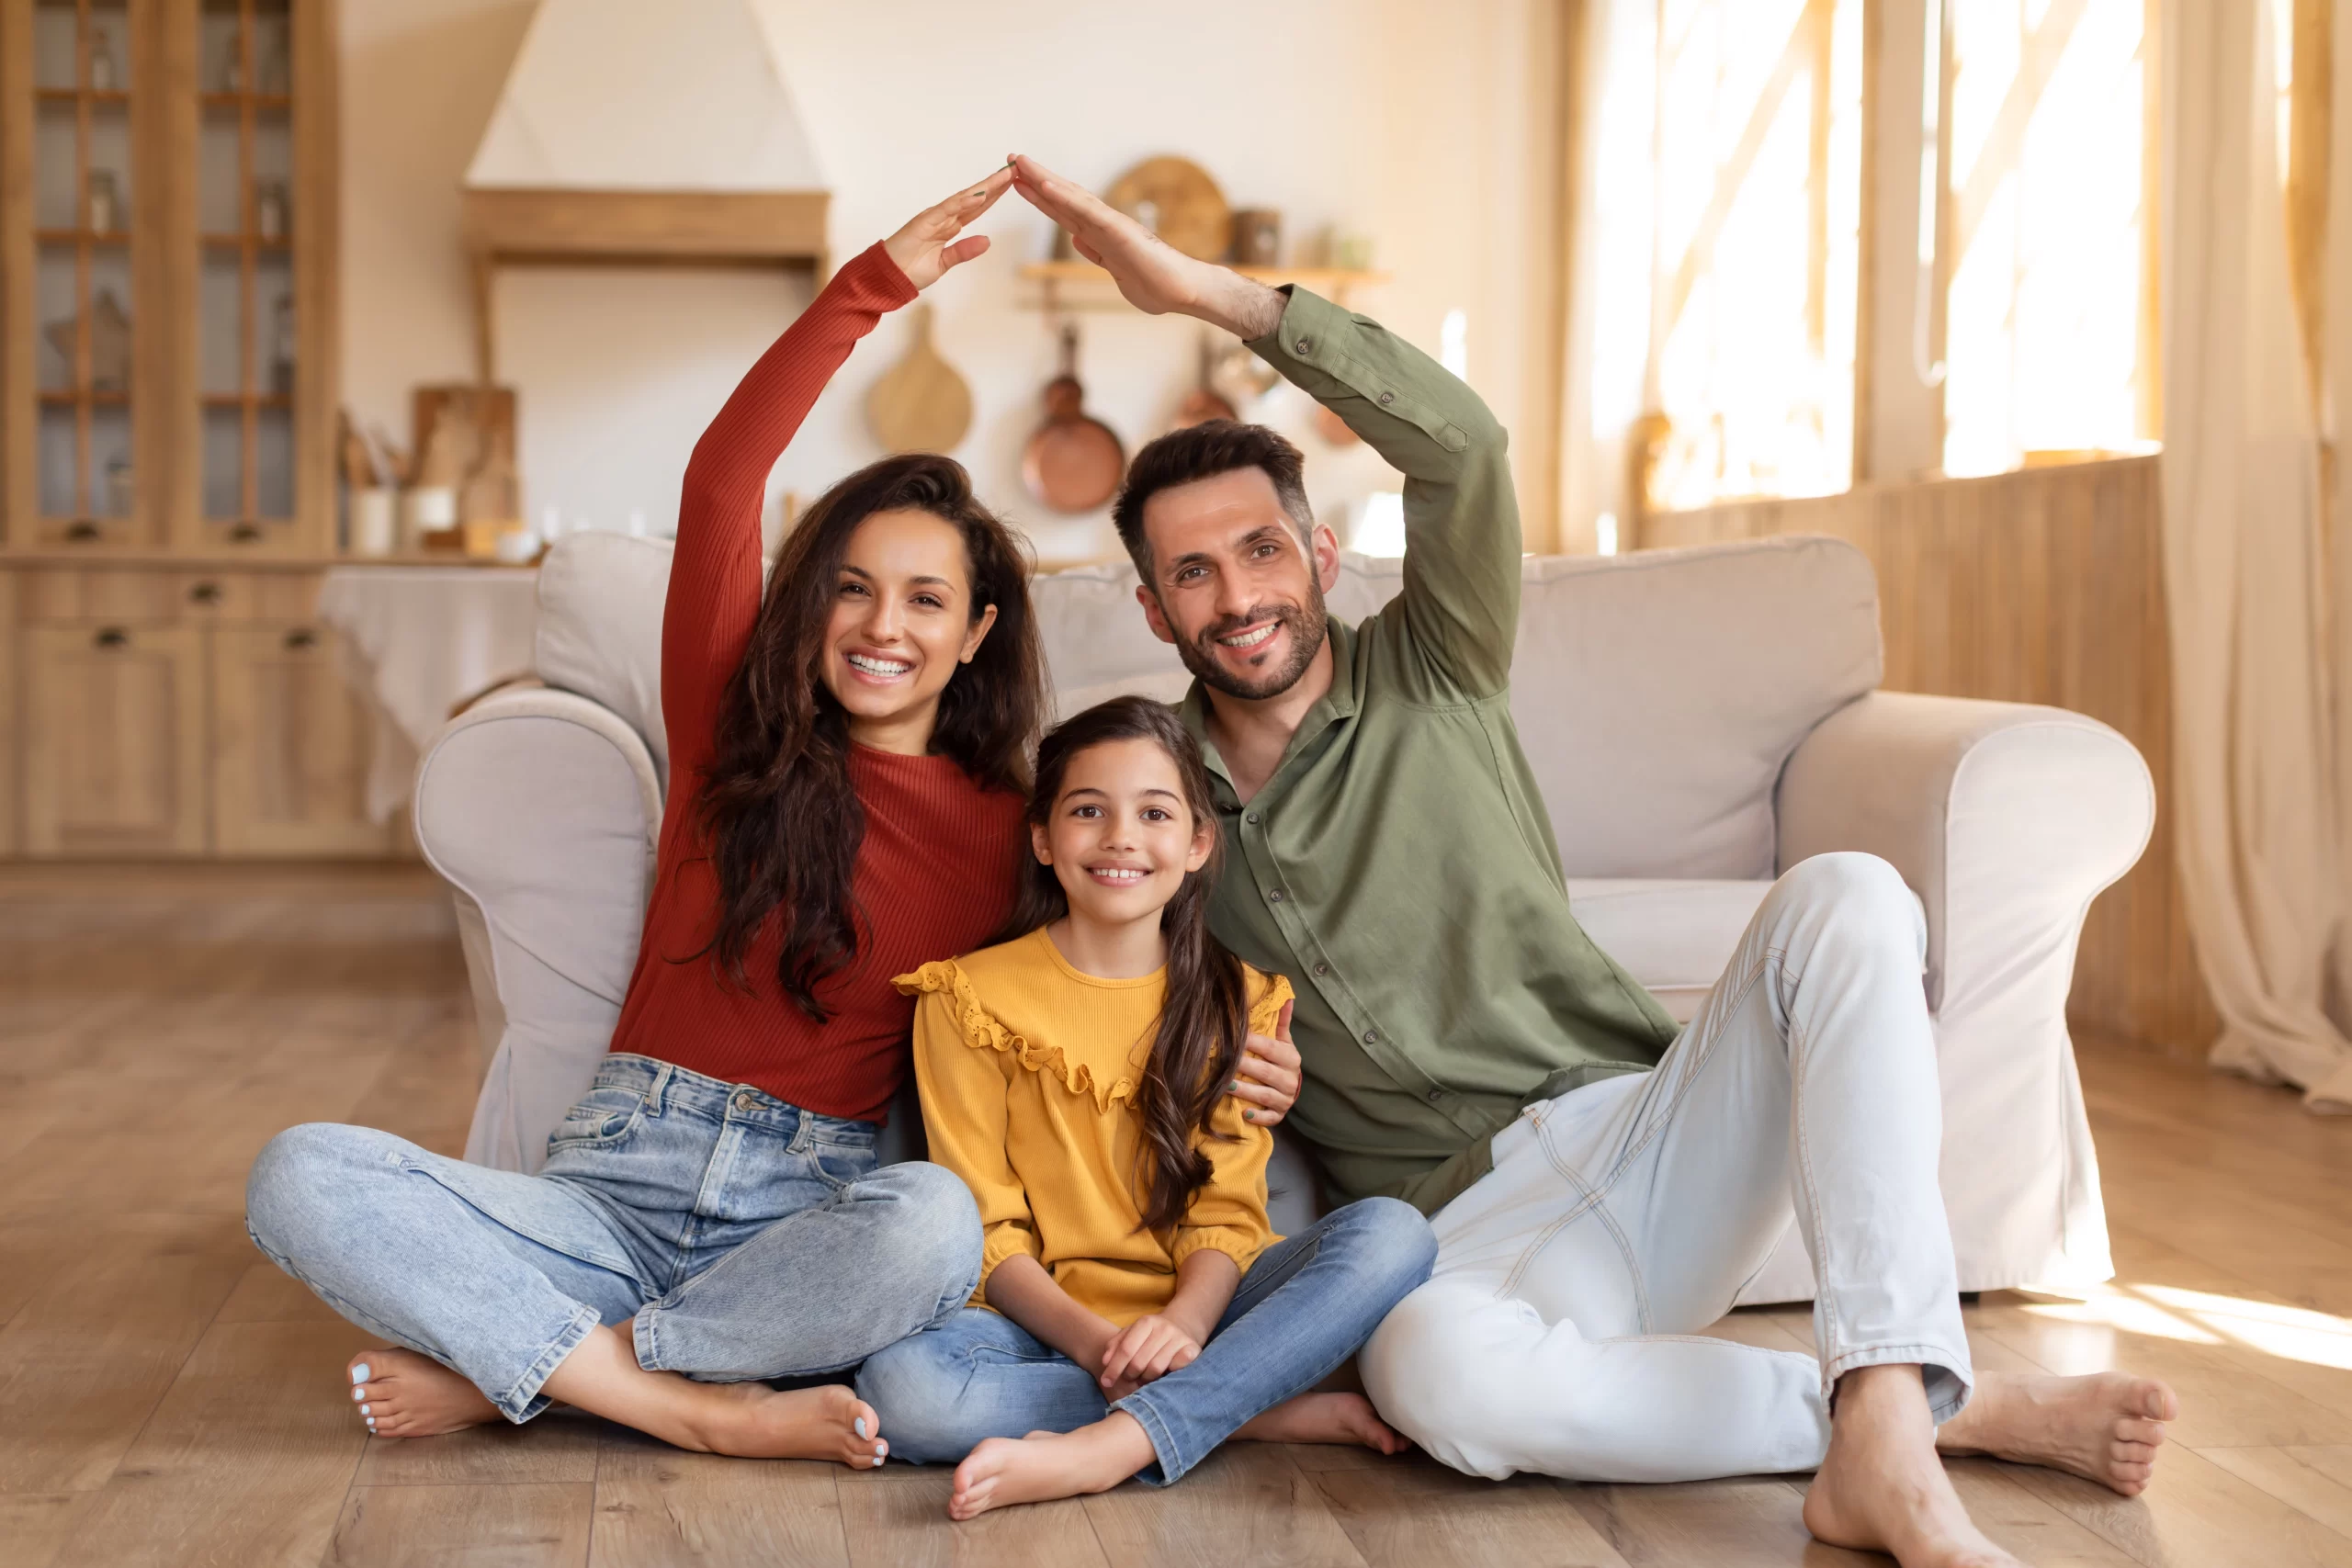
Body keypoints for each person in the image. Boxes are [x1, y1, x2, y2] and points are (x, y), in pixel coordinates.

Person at [1005, 153, 2180, 1568]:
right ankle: (1924, 1414)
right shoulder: (1149, 809)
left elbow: (1465, 450)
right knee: (1440, 1383)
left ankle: (1889, 1420)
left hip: (1650, 1130)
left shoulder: (1435, 661)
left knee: (1854, 896)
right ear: (1148, 603)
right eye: (1193, 573)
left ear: (1320, 552)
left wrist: (1217, 300)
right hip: (1466, 1232)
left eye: (1261, 550)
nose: (1238, 595)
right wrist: (1208, 1062)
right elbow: (1092, 999)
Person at [242, 170, 1300, 1467]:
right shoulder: (730, 736)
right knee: (299, 1170)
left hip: (812, 1210)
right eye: (853, 588)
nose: (880, 625)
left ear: (975, 634)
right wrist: (866, 290)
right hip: (614, 1177)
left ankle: (549, 1367)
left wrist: (1249, 1055)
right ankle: (675, 1396)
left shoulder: (1014, 830)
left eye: (923, 600)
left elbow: (1121, 963)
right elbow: (722, 476)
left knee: (933, 1220)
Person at [855, 697, 1435, 1519]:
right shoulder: (966, 995)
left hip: (1211, 1303)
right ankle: (1242, 1410)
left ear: (1197, 843)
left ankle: (1117, 1442)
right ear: (1043, 839)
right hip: (1042, 1324)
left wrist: (1184, 1330)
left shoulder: (1245, 1001)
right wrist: (1102, 1344)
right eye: (1088, 810)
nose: (1121, 836)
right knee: (905, 1390)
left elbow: (1227, 1216)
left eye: (1154, 812)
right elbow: (988, 1230)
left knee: (1395, 1233)